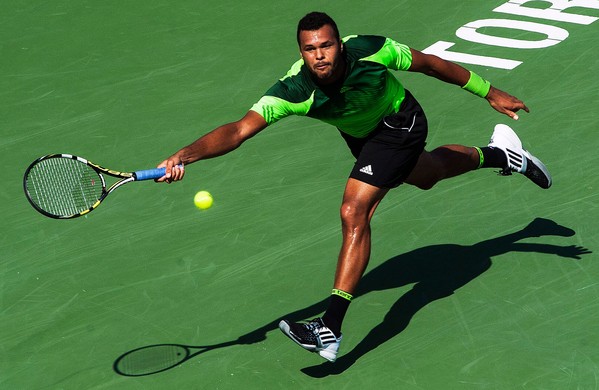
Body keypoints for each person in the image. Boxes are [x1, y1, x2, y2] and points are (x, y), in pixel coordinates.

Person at [156, 12, 552, 363]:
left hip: (401, 122)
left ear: (339, 44)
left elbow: (431, 64)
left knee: (354, 210)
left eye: (326, 45)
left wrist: (491, 92)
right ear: (301, 52)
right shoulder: (293, 91)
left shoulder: (371, 50)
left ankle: (330, 327)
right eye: (310, 49)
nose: (320, 55)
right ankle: (504, 155)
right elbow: (239, 129)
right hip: (363, 138)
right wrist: (184, 155)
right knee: (427, 174)